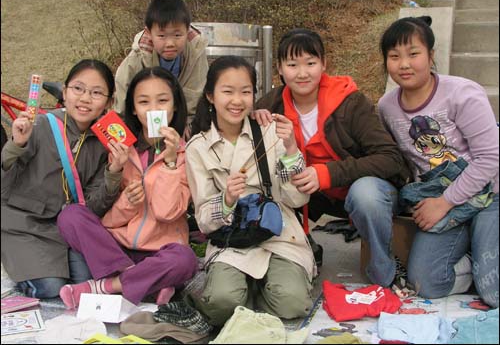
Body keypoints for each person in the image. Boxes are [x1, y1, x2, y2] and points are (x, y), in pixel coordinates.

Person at [255, 28, 411, 289]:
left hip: (360, 190)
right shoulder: (271, 106)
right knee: (267, 184)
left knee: (366, 194)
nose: (302, 73)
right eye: (292, 65)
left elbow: (391, 158)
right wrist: (250, 113)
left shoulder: (351, 103)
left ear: (324, 64)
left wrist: (326, 173)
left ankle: (383, 271)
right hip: (312, 197)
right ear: (280, 69)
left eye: (311, 63)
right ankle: (296, 248)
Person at [186, 55, 316, 326]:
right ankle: (243, 289)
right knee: (222, 304)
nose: (237, 100)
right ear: (210, 95)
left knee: (293, 303)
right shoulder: (198, 147)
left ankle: (262, 288)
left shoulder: (268, 131)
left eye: (245, 92)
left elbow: (296, 196)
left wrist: (291, 149)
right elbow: (203, 219)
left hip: (277, 233)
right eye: (227, 92)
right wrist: (227, 199)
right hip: (231, 238)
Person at [378, 16, 499, 308]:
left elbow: (490, 158)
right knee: (426, 283)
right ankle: (475, 260)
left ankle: (485, 261)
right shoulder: (387, 107)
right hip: (440, 200)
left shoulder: (462, 93)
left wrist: (445, 202)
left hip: (490, 193)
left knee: (494, 293)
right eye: (394, 57)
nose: (404, 64)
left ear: (431, 56)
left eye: (413, 54)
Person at [57, 67, 198, 308]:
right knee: (70, 215)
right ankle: (142, 282)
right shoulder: (122, 147)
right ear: (133, 108)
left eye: (162, 100)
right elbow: (107, 221)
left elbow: (167, 213)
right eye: (144, 102)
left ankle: (105, 286)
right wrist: (126, 201)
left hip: (160, 251)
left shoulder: (188, 153)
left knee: (185, 260)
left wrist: (171, 161)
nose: (153, 109)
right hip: (116, 250)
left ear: (175, 106)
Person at [1, 59, 123, 299]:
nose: (85, 98)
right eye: (78, 88)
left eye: (96, 93)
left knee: (88, 287)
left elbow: (93, 207)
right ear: (65, 92)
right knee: (51, 287)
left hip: (64, 230)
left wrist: (114, 172)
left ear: (109, 102)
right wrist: (16, 144)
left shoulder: (105, 142)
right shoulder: (39, 126)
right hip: (23, 225)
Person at [114, 0, 208, 123]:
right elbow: (122, 102)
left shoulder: (196, 51)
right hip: (143, 122)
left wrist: (187, 123)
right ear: (149, 33)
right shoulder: (137, 57)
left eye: (177, 35)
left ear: (187, 30)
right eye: (162, 36)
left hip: (183, 120)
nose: (170, 43)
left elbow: (197, 92)